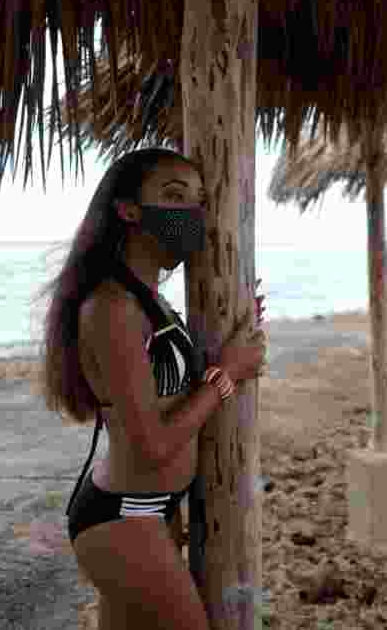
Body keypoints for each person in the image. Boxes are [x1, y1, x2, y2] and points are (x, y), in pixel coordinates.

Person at [40, 148, 268, 629]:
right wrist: (228, 374)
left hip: (152, 512)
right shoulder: (113, 308)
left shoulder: (151, 301)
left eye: (198, 201)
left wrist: (235, 324)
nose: (192, 212)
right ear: (128, 209)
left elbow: (174, 388)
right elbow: (153, 447)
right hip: (124, 517)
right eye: (174, 196)